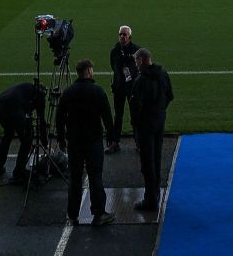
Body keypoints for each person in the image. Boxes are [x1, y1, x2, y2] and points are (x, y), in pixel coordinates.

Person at [54, 59, 114, 227]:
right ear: (89, 71)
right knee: (96, 177)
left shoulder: (68, 92)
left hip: (74, 142)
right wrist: (111, 137)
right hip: (93, 141)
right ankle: (99, 213)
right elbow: (107, 116)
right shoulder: (97, 91)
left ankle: (72, 215)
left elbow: (59, 118)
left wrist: (61, 139)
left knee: (74, 179)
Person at [128, 47, 173, 212]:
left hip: (146, 124)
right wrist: (160, 110)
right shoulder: (163, 74)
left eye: (136, 61)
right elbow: (170, 96)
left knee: (147, 162)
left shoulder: (140, 81)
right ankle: (156, 189)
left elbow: (135, 108)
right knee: (157, 155)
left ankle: (150, 200)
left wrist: (136, 126)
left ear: (140, 60)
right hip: (160, 120)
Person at [0, 79, 44, 182]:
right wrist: (44, 142)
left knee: (8, 134)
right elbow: (41, 120)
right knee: (27, 139)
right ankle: (19, 172)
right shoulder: (39, 96)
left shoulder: (26, 88)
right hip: (13, 107)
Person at [107, 25, 139, 153]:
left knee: (135, 116)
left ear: (129, 37)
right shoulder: (115, 51)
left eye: (124, 34)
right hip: (119, 87)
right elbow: (114, 67)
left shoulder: (136, 50)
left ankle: (138, 142)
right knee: (118, 116)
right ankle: (115, 142)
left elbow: (137, 68)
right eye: (120, 34)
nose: (122, 36)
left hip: (132, 88)